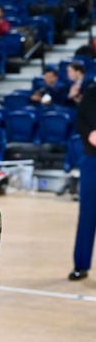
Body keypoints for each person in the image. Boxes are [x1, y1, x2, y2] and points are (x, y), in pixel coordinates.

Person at [71, 78, 96, 280]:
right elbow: (83, 125)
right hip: (93, 161)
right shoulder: (91, 94)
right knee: (88, 215)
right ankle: (81, 264)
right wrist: (90, 134)